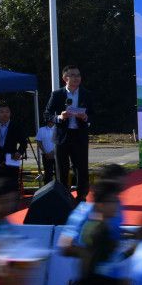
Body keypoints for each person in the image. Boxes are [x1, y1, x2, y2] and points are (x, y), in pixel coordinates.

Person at [45, 65, 94, 202]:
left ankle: (81, 197)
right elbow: (47, 114)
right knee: (62, 169)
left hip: (79, 136)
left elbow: (93, 114)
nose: (76, 78)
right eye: (72, 75)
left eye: (78, 75)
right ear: (65, 78)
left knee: (81, 168)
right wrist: (60, 117)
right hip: (62, 137)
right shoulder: (57, 95)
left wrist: (86, 117)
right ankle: (63, 198)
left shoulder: (87, 94)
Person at [0, 102, 27, 180]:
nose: (5, 114)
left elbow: (24, 142)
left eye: (7, 111)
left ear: (10, 113)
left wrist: (19, 152)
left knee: (12, 183)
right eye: (2, 112)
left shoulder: (16, 126)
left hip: (12, 157)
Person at [36, 116, 57, 184]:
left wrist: (53, 152)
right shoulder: (41, 130)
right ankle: (48, 189)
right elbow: (39, 142)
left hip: (56, 155)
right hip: (46, 156)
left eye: (52, 121)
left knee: (58, 173)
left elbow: (59, 142)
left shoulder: (58, 129)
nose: (50, 122)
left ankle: (59, 189)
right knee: (48, 174)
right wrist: (45, 153)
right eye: (49, 121)